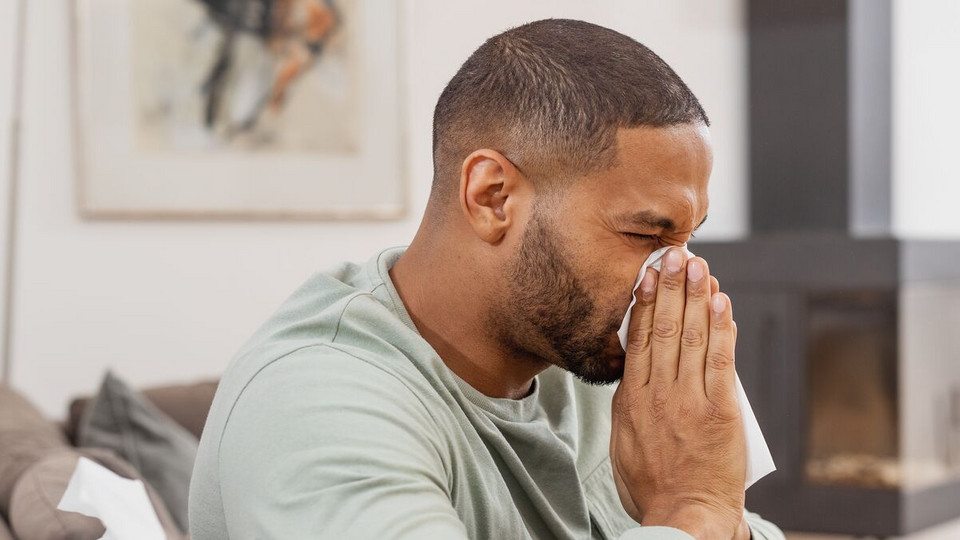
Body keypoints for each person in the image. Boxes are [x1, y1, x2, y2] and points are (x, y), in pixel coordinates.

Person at [189, 19, 786, 540]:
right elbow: (705, 518)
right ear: (492, 197)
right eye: (644, 236)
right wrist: (694, 508)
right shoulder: (316, 406)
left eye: (688, 239)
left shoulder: (585, 358)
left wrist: (707, 505)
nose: (678, 275)